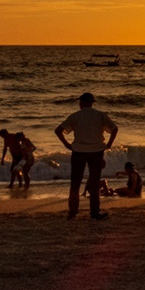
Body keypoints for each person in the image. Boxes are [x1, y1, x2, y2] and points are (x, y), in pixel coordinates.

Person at [55, 92, 118, 220]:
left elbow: (58, 130)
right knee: (94, 183)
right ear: (91, 103)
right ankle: (94, 212)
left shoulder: (75, 116)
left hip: (79, 151)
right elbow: (114, 129)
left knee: (75, 183)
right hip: (96, 151)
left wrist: (67, 144)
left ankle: (73, 212)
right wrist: (109, 144)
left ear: (82, 103)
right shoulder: (100, 115)